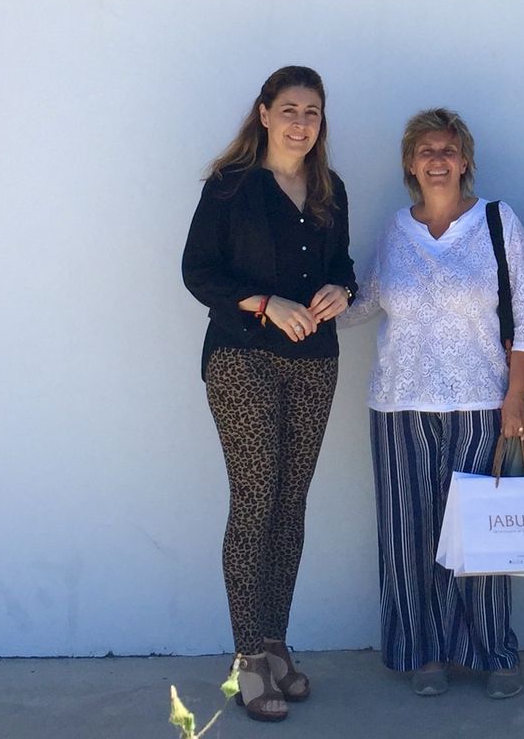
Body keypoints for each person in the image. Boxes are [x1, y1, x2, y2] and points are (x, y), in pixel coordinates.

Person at [344, 108, 524, 700]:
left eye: (448, 150)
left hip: (482, 403)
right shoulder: (394, 232)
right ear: (410, 163)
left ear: (465, 161)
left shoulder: (497, 223)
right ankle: (422, 653)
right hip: (399, 404)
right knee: (408, 537)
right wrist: (311, 296)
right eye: (425, 151)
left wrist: (515, 398)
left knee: (479, 537)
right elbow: (364, 303)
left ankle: (494, 652)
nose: (437, 160)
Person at [181, 65, 357, 724]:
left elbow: (342, 267)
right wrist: (264, 304)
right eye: (289, 108)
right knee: (255, 500)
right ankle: (247, 659)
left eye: (312, 110)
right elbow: (197, 272)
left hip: (314, 360)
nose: (300, 121)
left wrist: (347, 290)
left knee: (290, 503)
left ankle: (276, 642)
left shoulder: (329, 189)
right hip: (242, 357)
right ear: (263, 114)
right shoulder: (230, 189)